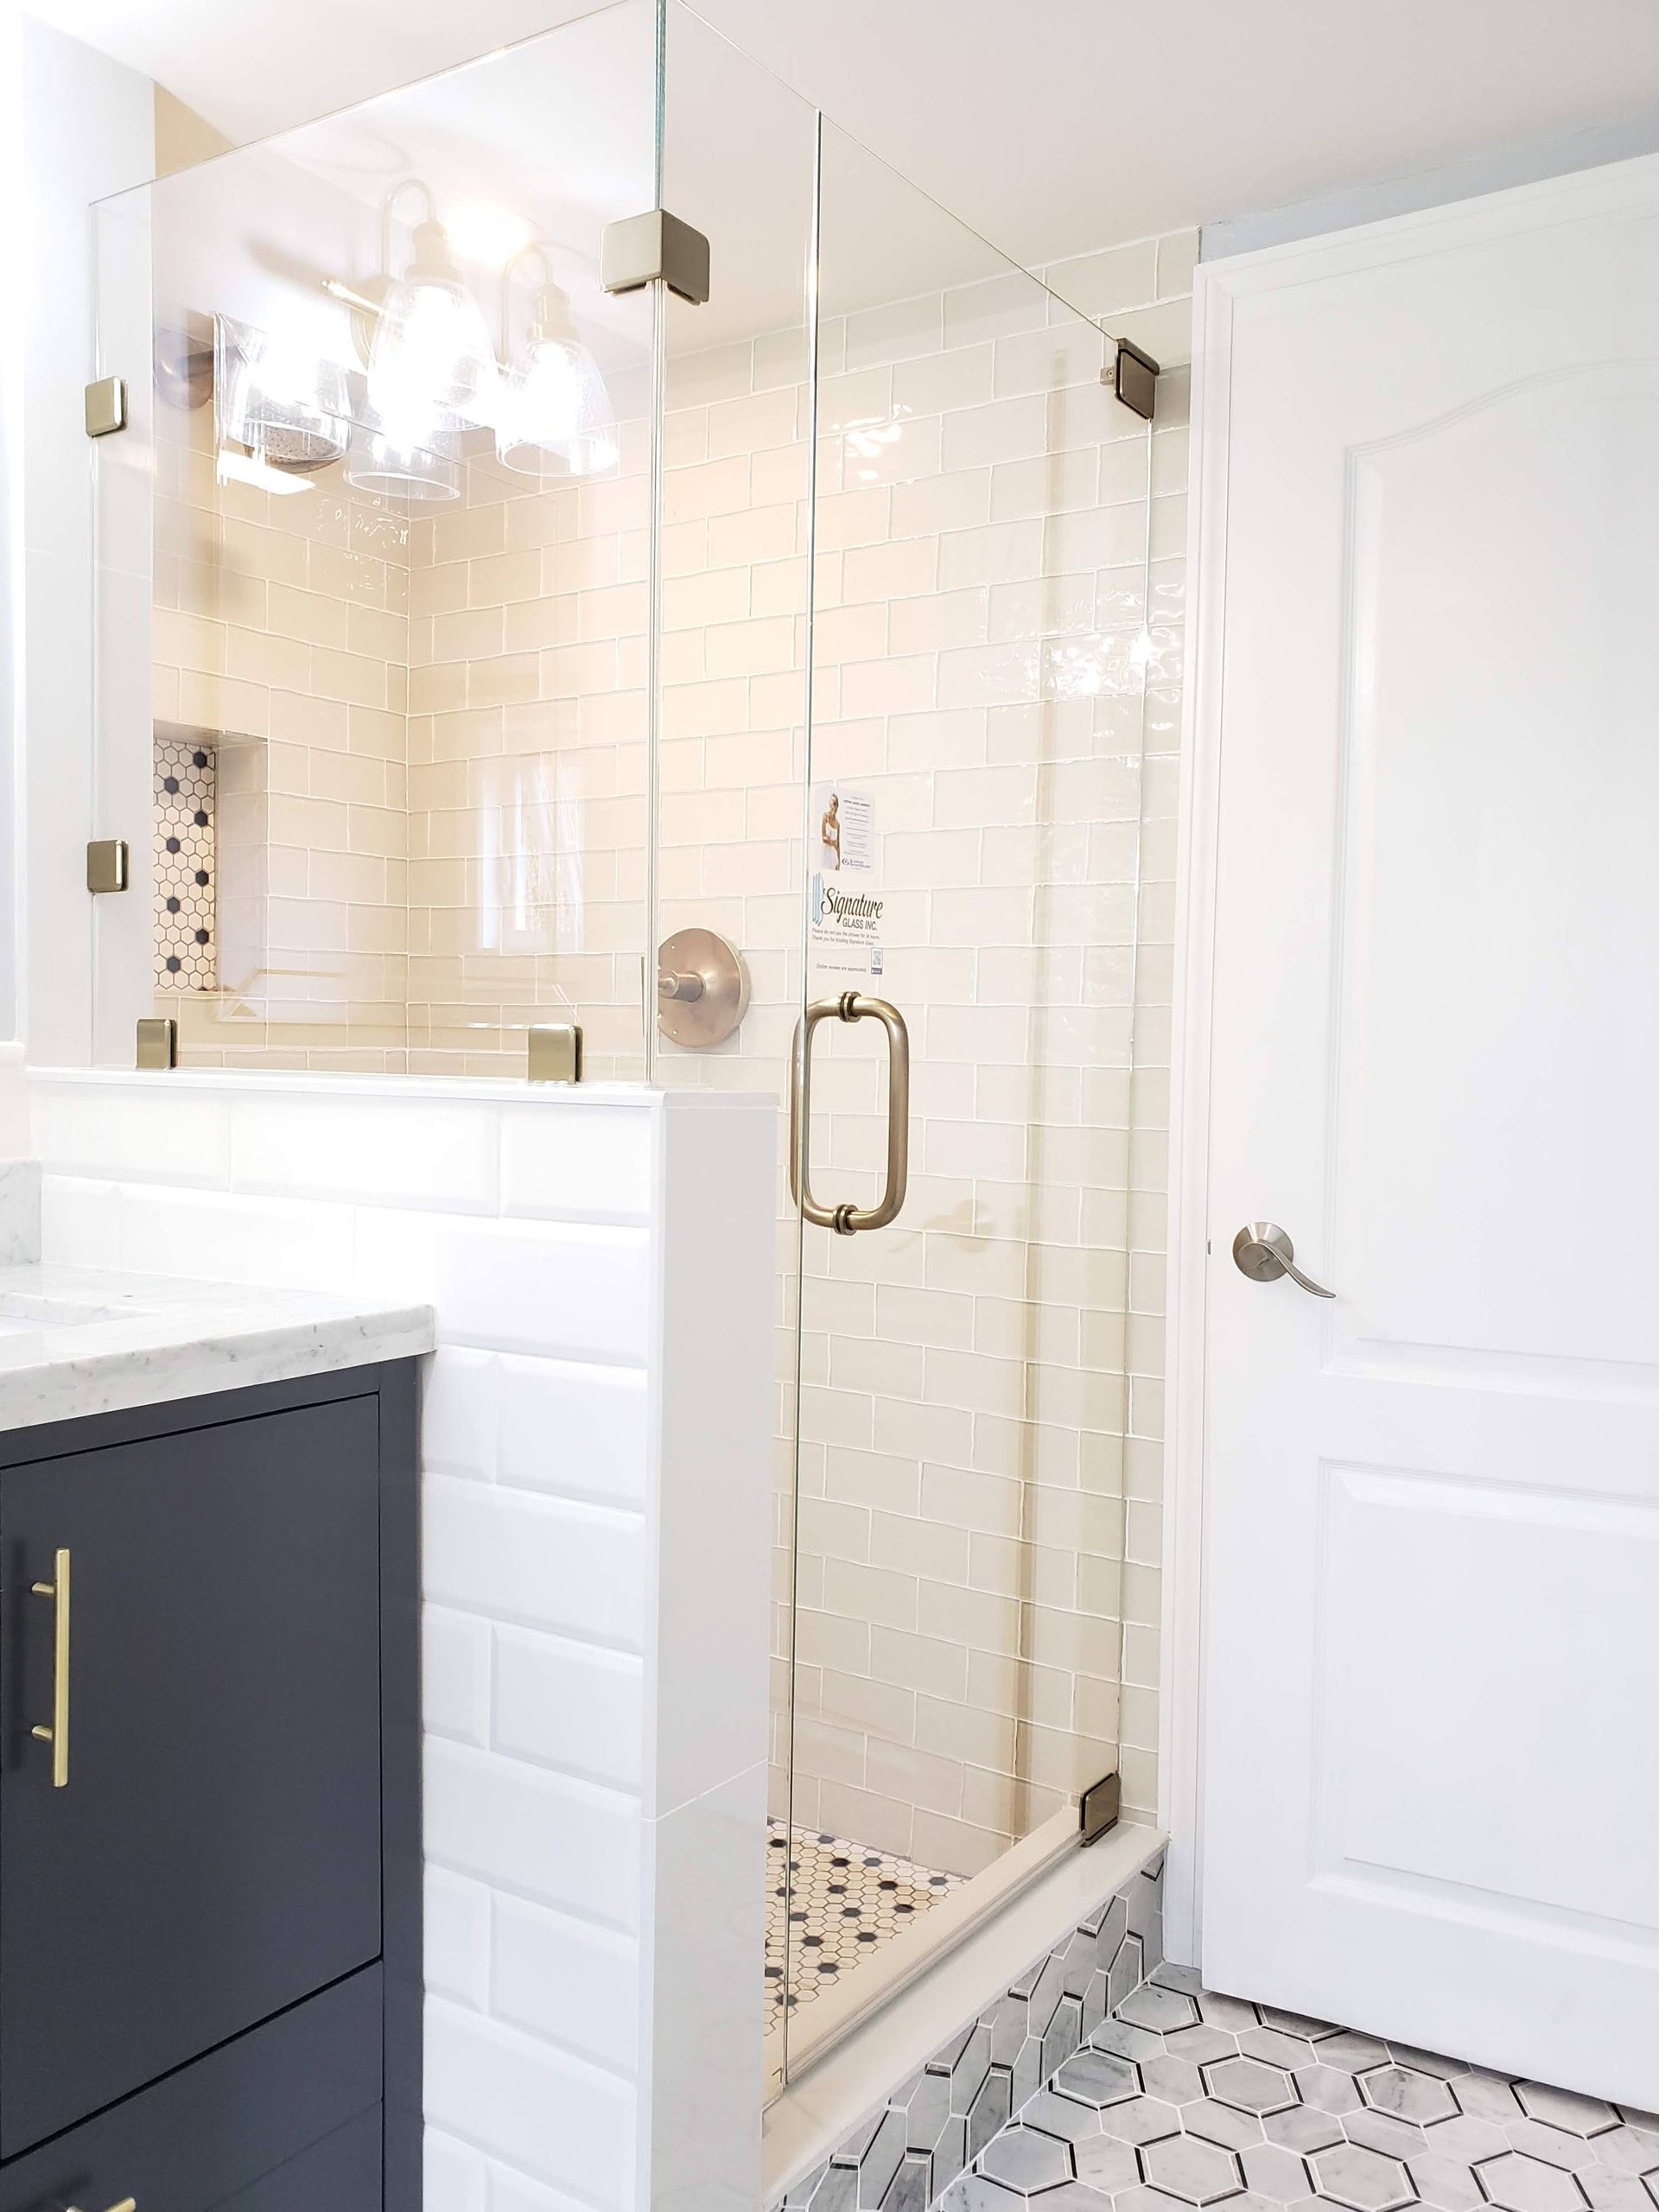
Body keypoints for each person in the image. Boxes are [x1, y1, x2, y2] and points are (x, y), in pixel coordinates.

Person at [819, 791, 842, 872]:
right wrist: (833, 843)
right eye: (831, 803)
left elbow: (838, 845)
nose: (833, 806)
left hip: (833, 855)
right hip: (825, 853)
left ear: (837, 806)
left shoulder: (838, 824)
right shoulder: (825, 816)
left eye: (835, 804)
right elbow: (824, 838)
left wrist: (839, 861)